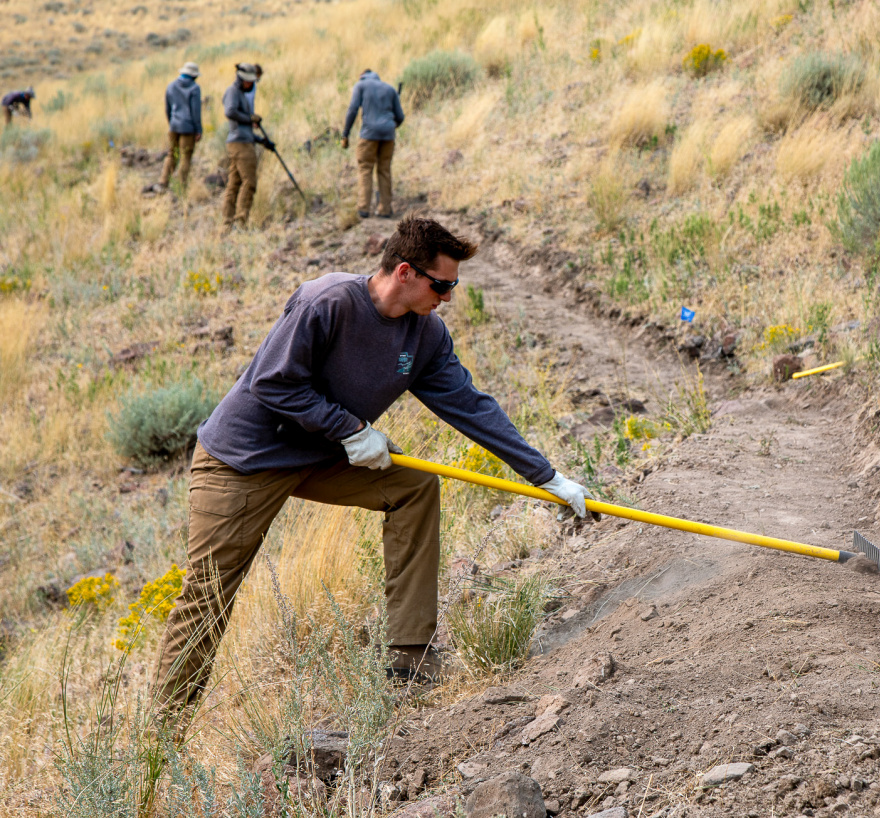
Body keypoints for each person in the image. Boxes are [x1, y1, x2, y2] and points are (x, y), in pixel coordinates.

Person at [153, 217, 593, 708]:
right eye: (441, 285)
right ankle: (162, 737)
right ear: (405, 272)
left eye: (453, 287)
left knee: (414, 485)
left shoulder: (425, 335)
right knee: (208, 595)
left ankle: (410, 659)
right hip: (244, 459)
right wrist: (350, 428)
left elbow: (471, 406)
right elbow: (274, 383)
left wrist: (547, 476)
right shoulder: (328, 301)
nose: (446, 298)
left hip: (321, 455)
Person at [342, 69, 404, 219]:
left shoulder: (360, 85)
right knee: (384, 170)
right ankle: (385, 209)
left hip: (368, 135)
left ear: (362, 76)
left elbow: (352, 109)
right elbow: (400, 117)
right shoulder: (389, 89)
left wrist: (345, 134)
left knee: (365, 169)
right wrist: (388, 127)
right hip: (388, 135)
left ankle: (363, 208)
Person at [221, 63, 273, 229]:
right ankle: (240, 221)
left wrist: (262, 141)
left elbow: (243, 127)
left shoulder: (241, 94)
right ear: (241, 79)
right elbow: (230, 112)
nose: (251, 84)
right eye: (249, 81)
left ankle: (227, 222)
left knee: (234, 184)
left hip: (241, 141)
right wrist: (250, 118)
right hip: (241, 145)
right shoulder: (233, 92)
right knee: (249, 182)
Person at [157, 62, 203, 190]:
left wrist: (172, 123)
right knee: (185, 157)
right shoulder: (194, 88)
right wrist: (198, 129)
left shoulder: (171, 86)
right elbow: (196, 111)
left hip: (174, 126)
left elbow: (168, 108)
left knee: (172, 154)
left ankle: (163, 182)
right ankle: (181, 186)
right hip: (188, 129)